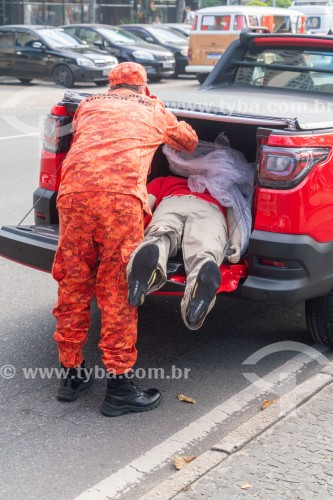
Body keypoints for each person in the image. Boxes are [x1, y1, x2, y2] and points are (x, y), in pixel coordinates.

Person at [52, 62, 198, 417]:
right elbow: (189, 143)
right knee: (118, 288)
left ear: (111, 85)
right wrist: (163, 112)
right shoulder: (154, 108)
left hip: (71, 196)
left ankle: (71, 374)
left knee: (73, 282)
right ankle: (119, 387)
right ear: (144, 87)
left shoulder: (88, 104)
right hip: (119, 201)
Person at [127, 175, 241, 330]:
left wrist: (127, 231)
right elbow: (233, 215)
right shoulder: (220, 186)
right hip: (210, 209)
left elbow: (143, 206)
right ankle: (197, 295)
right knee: (206, 248)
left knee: (159, 235)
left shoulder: (163, 180)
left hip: (172, 201)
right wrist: (236, 243)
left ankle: (146, 274)